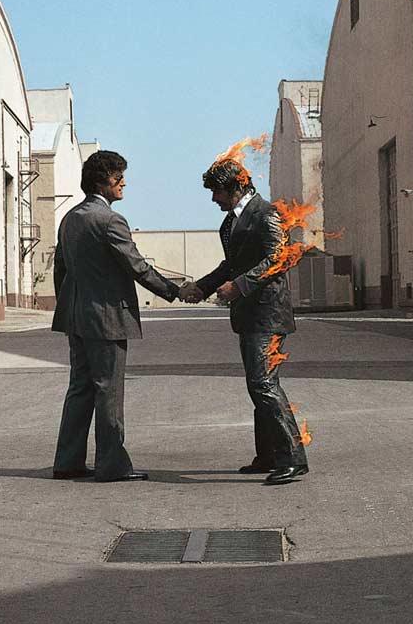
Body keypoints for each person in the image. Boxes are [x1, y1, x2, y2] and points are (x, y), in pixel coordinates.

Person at [51, 150, 180, 482]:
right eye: (118, 177)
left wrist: (69, 306)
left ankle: (68, 462)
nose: (124, 183)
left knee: (80, 388)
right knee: (108, 390)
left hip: (76, 317)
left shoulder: (70, 218)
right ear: (101, 182)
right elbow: (136, 266)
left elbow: (60, 269)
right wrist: (175, 290)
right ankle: (112, 466)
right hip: (106, 318)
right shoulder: (110, 220)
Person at [180, 159, 308, 485]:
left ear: (236, 187)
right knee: (258, 386)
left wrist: (239, 286)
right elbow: (231, 264)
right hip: (249, 316)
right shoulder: (231, 222)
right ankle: (268, 456)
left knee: (264, 385)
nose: (214, 199)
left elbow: (279, 258)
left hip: (267, 315)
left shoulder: (267, 214)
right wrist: (203, 287)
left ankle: (292, 458)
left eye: (217, 192)